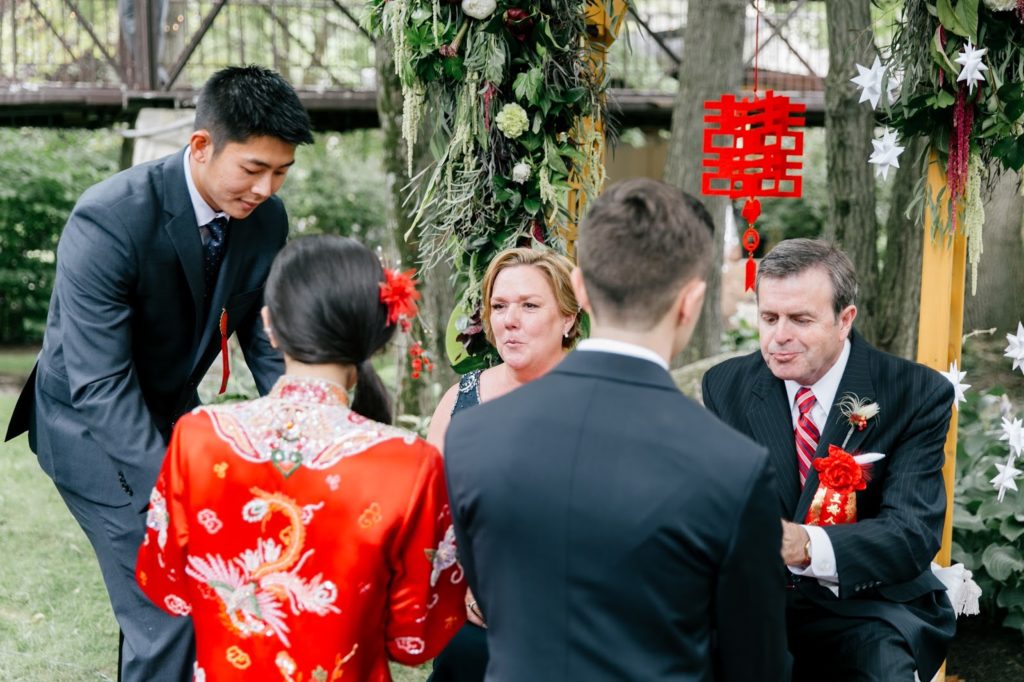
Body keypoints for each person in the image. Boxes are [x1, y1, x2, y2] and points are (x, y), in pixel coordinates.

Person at [4, 65, 314, 681]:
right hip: (84, 426)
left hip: (173, 410)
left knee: (197, 591)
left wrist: (310, 428)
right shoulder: (110, 217)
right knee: (168, 599)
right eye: (253, 169)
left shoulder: (266, 222)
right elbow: (98, 383)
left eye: (280, 172)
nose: (266, 188)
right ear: (200, 145)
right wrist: (173, 492)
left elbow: (269, 341)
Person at [444, 178, 789, 681]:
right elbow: (755, 664)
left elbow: (491, 589)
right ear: (690, 302)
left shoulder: (477, 434)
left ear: (579, 290)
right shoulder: (733, 467)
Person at [135, 235, 466, 680]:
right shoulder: (409, 461)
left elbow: (167, 586)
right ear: (377, 334)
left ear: (269, 325)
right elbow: (414, 636)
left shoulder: (199, 435)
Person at [701, 238, 956, 681]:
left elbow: (912, 533)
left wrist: (804, 545)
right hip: (752, 601)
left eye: (800, 319)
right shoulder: (726, 385)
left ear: (845, 320)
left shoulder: (915, 392)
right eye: (769, 317)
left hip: (869, 606)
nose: (780, 336)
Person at [427, 246, 582, 682]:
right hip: (474, 615)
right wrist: (461, 584)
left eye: (530, 306)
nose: (510, 319)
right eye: (499, 306)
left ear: (568, 318)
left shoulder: (599, 401)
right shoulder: (462, 398)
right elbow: (430, 509)